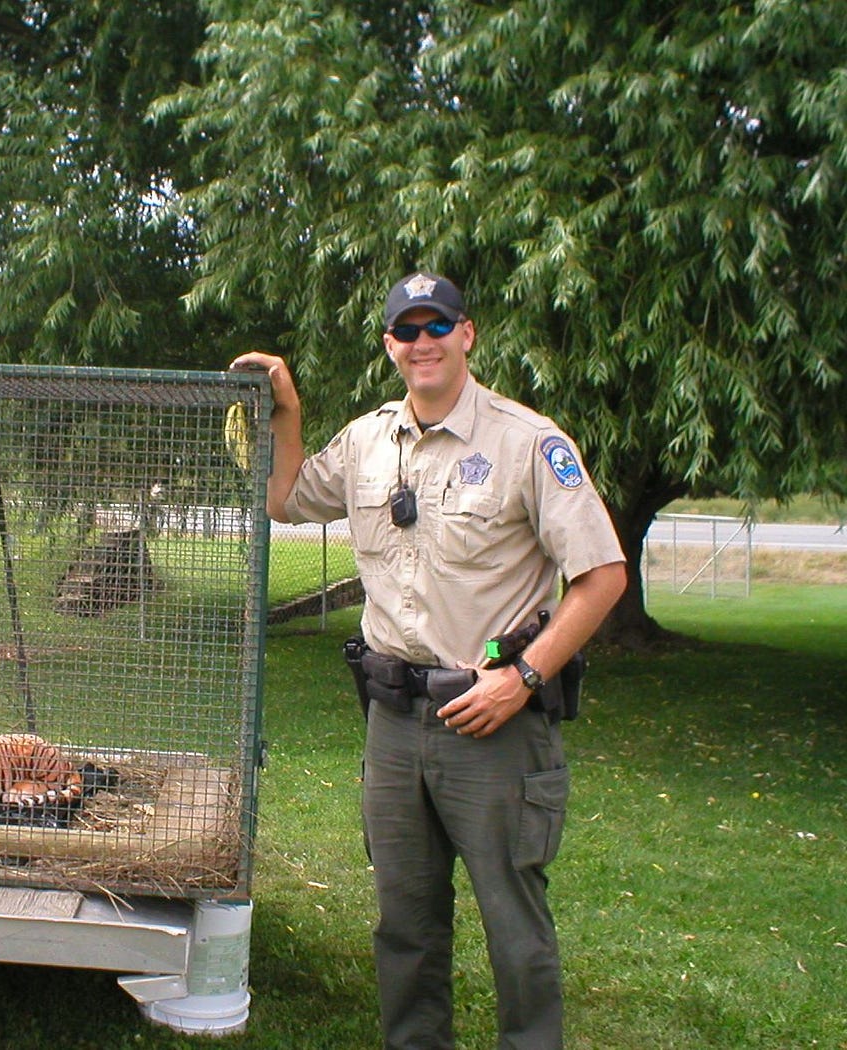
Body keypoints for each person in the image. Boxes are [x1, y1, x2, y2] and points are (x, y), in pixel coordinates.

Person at [232, 272, 626, 1050]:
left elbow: (602, 574)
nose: (423, 343)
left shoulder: (527, 443)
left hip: (492, 723)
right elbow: (283, 500)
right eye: (407, 331)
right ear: (390, 346)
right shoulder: (367, 442)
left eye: (437, 327)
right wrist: (288, 411)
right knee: (404, 925)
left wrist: (523, 677)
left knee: (514, 923)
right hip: (394, 724)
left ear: (467, 334)